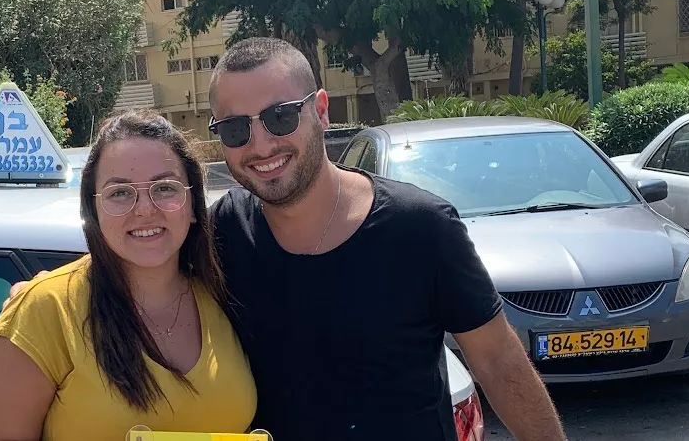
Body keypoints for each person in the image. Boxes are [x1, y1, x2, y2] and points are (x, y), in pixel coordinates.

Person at [206, 37, 566, 441]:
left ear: (321, 111)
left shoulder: (421, 227)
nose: (261, 145)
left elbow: (498, 361)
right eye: (235, 129)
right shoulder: (223, 232)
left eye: (281, 116)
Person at [0, 110, 256, 441]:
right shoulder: (43, 312)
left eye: (164, 188)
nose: (145, 209)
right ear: (92, 210)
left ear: (192, 203)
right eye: (120, 192)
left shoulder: (223, 292)